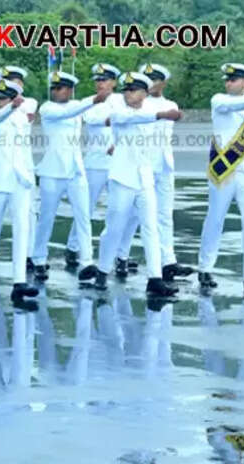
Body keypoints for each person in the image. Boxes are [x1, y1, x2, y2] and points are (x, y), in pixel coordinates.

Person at [86, 71, 181, 298]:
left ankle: (155, 279)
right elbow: (132, 120)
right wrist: (162, 115)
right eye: (126, 90)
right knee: (114, 228)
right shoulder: (120, 112)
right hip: (122, 179)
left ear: (144, 93)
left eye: (133, 90)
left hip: (144, 177)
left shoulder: (150, 112)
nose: (128, 94)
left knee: (150, 227)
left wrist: (118, 144)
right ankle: (102, 271)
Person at [119, 63, 195, 282]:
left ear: (164, 83)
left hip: (164, 164)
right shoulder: (140, 105)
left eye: (155, 80)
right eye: (147, 79)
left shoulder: (171, 104)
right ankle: (121, 255)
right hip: (143, 165)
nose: (151, 84)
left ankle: (168, 261)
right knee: (133, 216)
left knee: (164, 215)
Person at [32, 70, 106, 283]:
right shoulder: (47, 108)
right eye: (54, 88)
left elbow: (94, 117)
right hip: (53, 172)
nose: (56, 92)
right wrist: (93, 100)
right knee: (46, 218)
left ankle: (87, 262)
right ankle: (38, 259)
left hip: (75, 170)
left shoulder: (77, 106)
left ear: (70, 90)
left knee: (83, 217)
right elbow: (67, 113)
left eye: (61, 88)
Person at [0, 78, 39, 310]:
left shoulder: (22, 116)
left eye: (3, 98)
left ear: (14, 98)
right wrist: (11, 107)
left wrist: (18, 107)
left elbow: (32, 105)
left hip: (19, 180)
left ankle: (19, 282)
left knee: (22, 228)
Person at [200, 62, 244, 297]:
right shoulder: (219, 100)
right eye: (226, 80)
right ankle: (205, 268)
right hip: (223, 172)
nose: (228, 83)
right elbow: (236, 104)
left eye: (233, 80)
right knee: (215, 219)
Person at [68, 63, 121, 269]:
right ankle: (73, 247)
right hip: (95, 163)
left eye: (104, 80)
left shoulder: (123, 101)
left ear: (113, 82)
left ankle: (116, 253)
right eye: (98, 80)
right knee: (86, 208)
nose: (100, 83)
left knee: (118, 210)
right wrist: (117, 119)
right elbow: (93, 119)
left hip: (119, 164)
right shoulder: (89, 103)